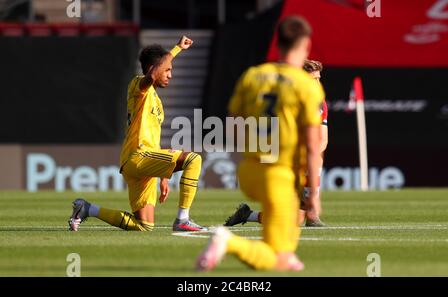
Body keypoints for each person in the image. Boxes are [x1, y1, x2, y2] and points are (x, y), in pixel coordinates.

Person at [196, 16, 324, 271]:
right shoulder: (307, 86)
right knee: (276, 259)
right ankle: (227, 242)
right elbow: (313, 146)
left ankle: (288, 255)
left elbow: (232, 122)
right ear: (306, 45)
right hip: (279, 175)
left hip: (250, 170)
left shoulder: (253, 75)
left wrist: (250, 151)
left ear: (278, 43)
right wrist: (313, 194)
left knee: (288, 240)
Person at [68, 36, 206, 232]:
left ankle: (87, 208)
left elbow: (153, 138)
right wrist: (177, 49)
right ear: (152, 69)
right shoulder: (138, 85)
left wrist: (163, 176)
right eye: (167, 70)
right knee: (194, 159)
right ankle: (182, 219)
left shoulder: (157, 102)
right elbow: (150, 78)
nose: (170, 75)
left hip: (144, 162)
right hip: (138, 156)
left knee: (144, 226)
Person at [224, 59, 328, 227]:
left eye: (319, 78)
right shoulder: (286, 99)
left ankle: (248, 214)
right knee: (288, 219)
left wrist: (309, 157)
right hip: (277, 158)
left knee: (295, 219)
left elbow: (323, 139)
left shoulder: (319, 103)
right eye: (312, 79)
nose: (317, 83)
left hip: (299, 159)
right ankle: (310, 213)